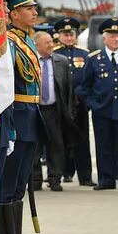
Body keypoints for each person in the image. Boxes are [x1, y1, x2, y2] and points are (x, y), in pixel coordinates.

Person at [0, 0, 45, 234]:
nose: (34, 12)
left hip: (32, 117)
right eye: (28, 8)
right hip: (18, 117)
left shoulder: (27, 41)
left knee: (19, 186)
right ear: (13, 14)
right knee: (8, 185)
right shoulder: (9, 44)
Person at [79, 18, 118, 191]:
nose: (115, 39)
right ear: (104, 38)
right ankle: (106, 179)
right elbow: (84, 88)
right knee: (103, 146)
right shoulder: (93, 59)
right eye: (111, 36)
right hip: (102, 111)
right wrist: (93, 104)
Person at [54, 17, 93, 186]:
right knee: (61, 141)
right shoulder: (55, 53)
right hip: (60, 105)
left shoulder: (84, 54)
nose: (69, 37)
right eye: (65, 34)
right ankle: (64, 172)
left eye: (71, 34)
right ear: (59, 35)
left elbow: (89, 79)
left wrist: (81, 96)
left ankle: (85, 176)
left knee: (82, 141)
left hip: (79, 104)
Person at [34, 30, 74, 191]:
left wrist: (69, 111)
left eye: (51, 41)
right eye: (47, 43)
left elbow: (69, 89)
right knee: (35, 146)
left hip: (54, 110)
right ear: (37, 45)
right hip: (35, 111)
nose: (51, 45)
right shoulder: (31, 60)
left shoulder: (61, 61)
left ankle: (55, 178)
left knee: (56, 145)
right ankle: (35, 180)